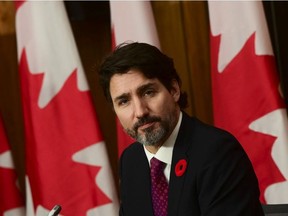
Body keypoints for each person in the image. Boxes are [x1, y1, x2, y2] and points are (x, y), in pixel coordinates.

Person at [98, 42, 264, 216]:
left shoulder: (218, 153)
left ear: (174, 90)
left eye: (148, 92)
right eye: (124, 101)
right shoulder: (131, 161)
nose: (140, 112)